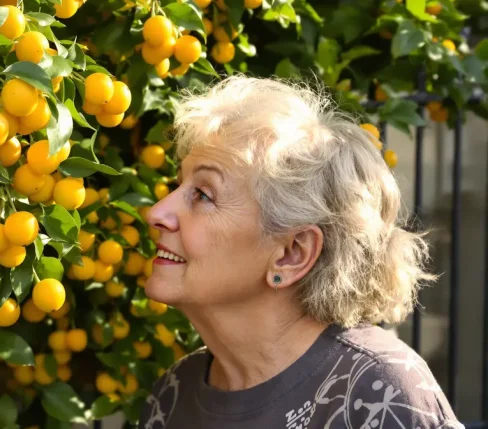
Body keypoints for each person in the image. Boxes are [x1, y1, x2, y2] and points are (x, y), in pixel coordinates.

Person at [139, 74, 463, 429]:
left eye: (203, 195)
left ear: (291, 253)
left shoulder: (376, 395)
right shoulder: (172, 395)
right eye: (179, 184)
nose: (157, 212)